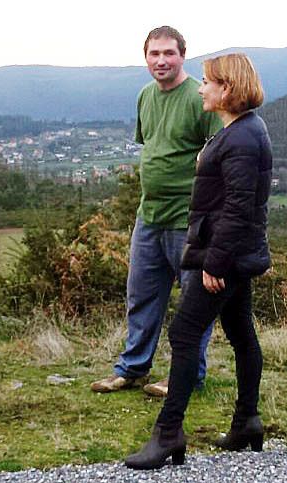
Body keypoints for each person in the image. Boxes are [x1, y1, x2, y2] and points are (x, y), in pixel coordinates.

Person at [125, 53, 272, 469]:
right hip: (236, 255)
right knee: (241, 331)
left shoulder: (242, 138)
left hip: (225, 257)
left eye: (208, 82)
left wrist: (214, 264)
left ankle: (169, 433)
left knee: (185, 333)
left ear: (227, 89)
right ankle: (247, 420)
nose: (201, 88)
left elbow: (238, 209)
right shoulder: (242, 130)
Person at [90, 26, 220, 398]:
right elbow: (153, 146)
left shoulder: (199, 98)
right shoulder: (145, 96)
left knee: (193, 303)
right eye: (154, 54)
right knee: (142, 296)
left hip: (189, 219)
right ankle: (132, 369)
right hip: (149, 216)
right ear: (145, 57)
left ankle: (187, 376)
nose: (161, 61)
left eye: (169, 53)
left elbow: (217, 152)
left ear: (183, 55)